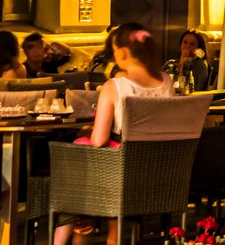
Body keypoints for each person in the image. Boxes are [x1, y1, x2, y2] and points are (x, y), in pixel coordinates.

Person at [50, 24, 174, 245]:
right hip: (160, 172)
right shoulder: (167, 81)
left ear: (123, 52)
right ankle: (83, 221)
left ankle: (78, 222)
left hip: (120, 174)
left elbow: (99, 140)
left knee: (76, 153)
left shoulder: (115, 86)